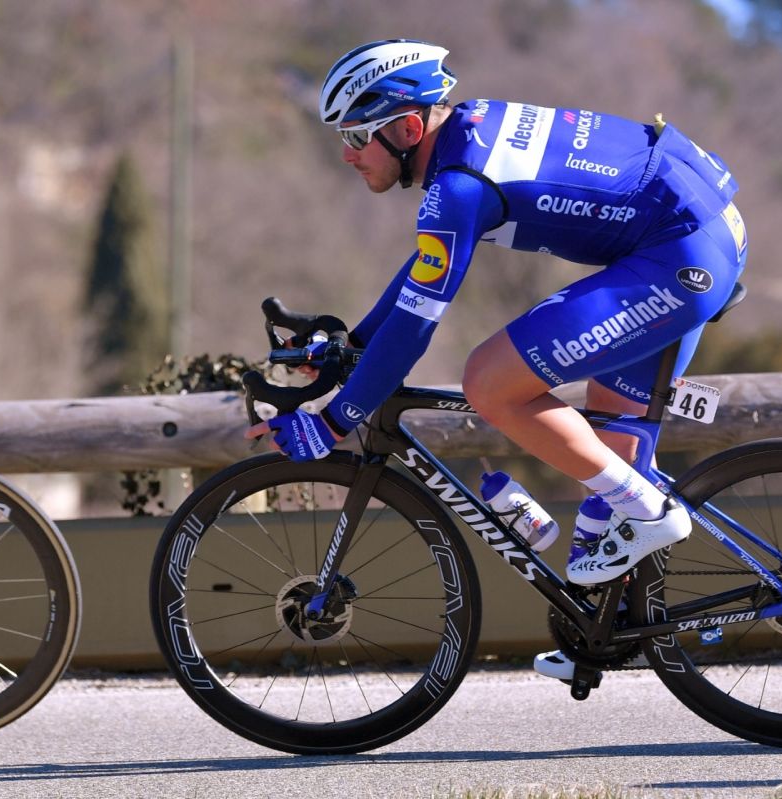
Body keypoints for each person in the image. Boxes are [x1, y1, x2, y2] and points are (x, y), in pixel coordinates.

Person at [246, 39, 747, 681]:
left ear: (406, 129)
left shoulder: (458, 186)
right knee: (606, 470)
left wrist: (335, 420)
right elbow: (427, 268)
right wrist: (355, 346)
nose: (347, 154)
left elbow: (417, 324)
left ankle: (653, 514)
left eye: (356, 137)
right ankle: (605, 628)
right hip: (695, 230)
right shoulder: (466, 136)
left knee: (490, 382)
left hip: (679, 253)